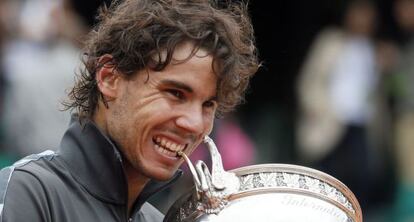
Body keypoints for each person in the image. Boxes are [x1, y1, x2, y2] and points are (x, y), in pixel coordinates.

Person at [0, 0, 259, 221]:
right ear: (109, 78)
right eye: (175, 93)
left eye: (208, 105)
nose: (193, 124)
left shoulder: (157, 219)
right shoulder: (26, 192)